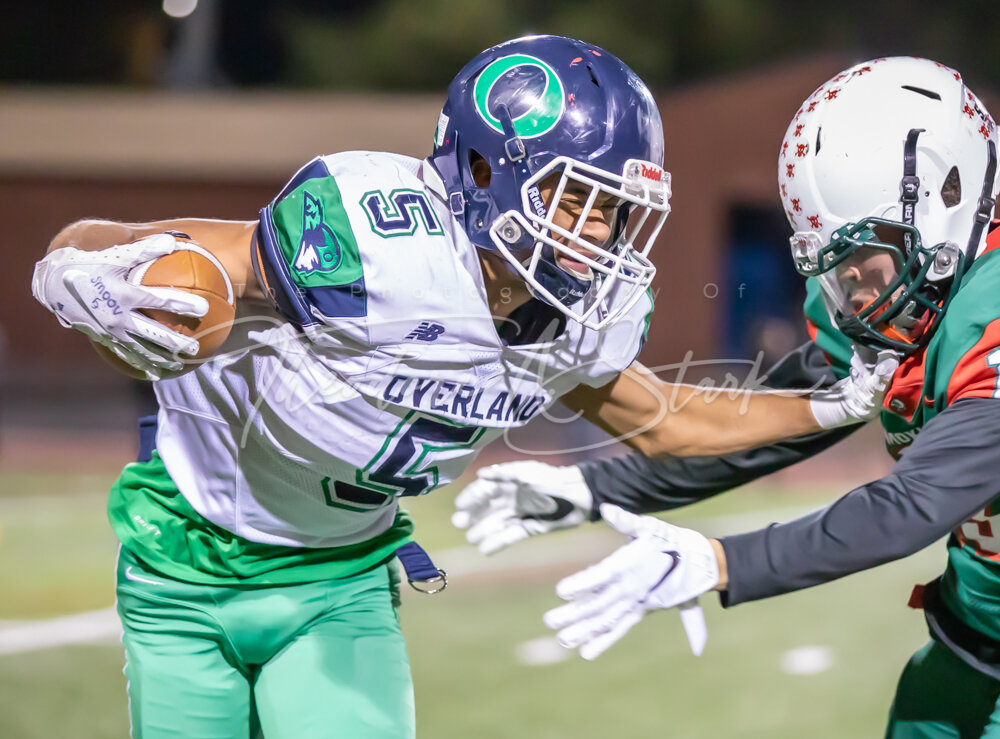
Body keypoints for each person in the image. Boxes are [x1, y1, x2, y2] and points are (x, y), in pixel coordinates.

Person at [31, 36, 889, 739]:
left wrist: (832, 404)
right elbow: (165, 263)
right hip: (185, 553)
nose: (597, 233)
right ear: (485, 173)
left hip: (341, 577)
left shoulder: (584, 314)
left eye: (613, 209)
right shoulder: (376, 242)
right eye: (572, 197)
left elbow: (664, 421)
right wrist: (79, 265)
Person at [454, 56, 1000, 736]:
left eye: (868, 260)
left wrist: (721, 562)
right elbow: (767, 431)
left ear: (951, 198)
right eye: (838, 267)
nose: (857, 294)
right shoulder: (903, 309)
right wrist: (595, 490)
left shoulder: (987, 314)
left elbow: (914, 503)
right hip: (968, 643)